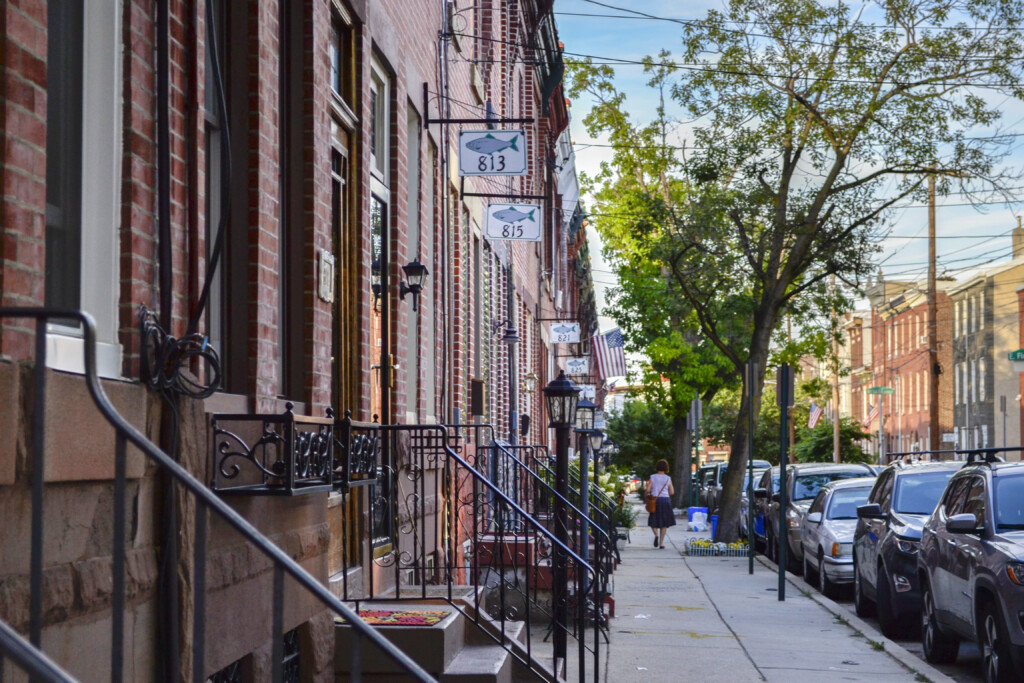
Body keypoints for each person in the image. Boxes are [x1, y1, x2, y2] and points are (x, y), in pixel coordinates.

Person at [645, 459, 676, 548]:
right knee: (664, 523)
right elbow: (672, 492)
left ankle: (656, 535)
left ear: (657, 467)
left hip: (655, 500)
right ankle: (661, 543)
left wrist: (648, 494)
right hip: (665, 501)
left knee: (653, 520)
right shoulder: (668, 478)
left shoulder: (653, 477)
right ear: (666, 468)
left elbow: (648, 489)